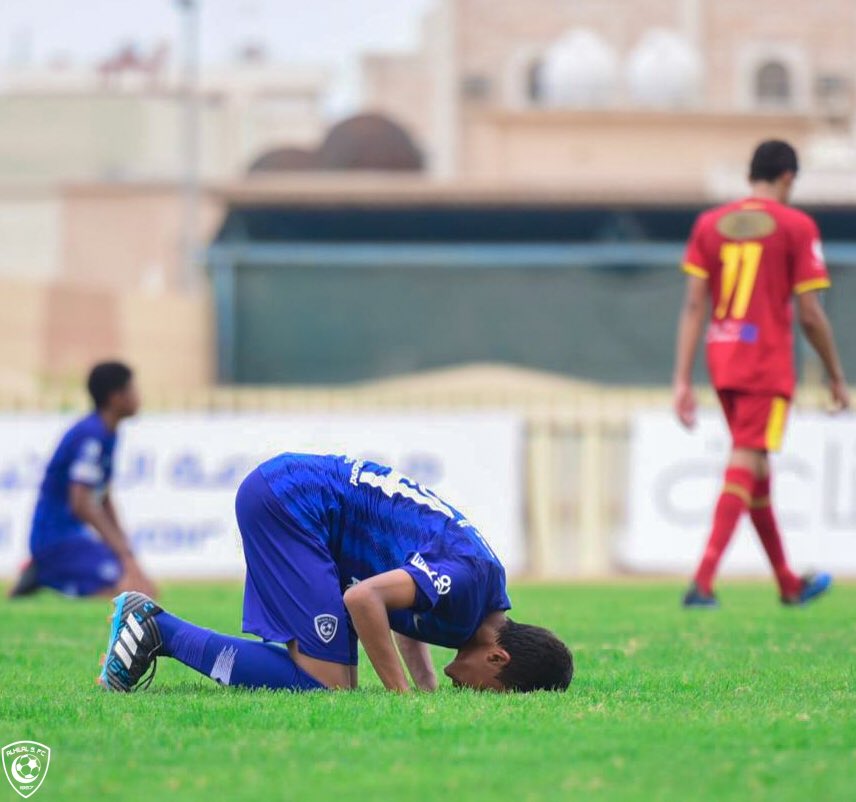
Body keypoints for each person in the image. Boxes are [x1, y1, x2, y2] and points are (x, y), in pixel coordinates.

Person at [97, 453, 573, 693]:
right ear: (497, 659)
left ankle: (157, 630)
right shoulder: (469, 582)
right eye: (490, 693)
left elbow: (407, 611)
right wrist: (402, 696)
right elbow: (364, 599)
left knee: (335, 679)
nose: (470, 693)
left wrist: (425, 686)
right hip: (293, 501)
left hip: (297, 498)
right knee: (330, 681)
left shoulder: (478, 598)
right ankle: (157, 629)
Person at [673, 139, 850, 608]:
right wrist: (836, 374)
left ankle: (788, 583)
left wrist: (682, 379)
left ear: (751, 174)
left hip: (723, 357)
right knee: (747, 460)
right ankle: (702, 582)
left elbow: (693, 305)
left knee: (756, 473)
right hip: (765, 363)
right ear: (788, 177)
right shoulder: (797, 226)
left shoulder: (709, 225)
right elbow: (810, 313)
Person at [8, 361, 156, 599]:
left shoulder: (108, 433)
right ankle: (43, 570)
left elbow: (103, 497)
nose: (138, 396)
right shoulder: (91, 435)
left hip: (73, 536)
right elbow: (81, 504)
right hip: (56, 539)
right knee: (126, 593)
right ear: (115, 397)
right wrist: (123, 554)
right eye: (132, 389)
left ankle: (44, 572)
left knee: (143, 590)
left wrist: (128, 555)